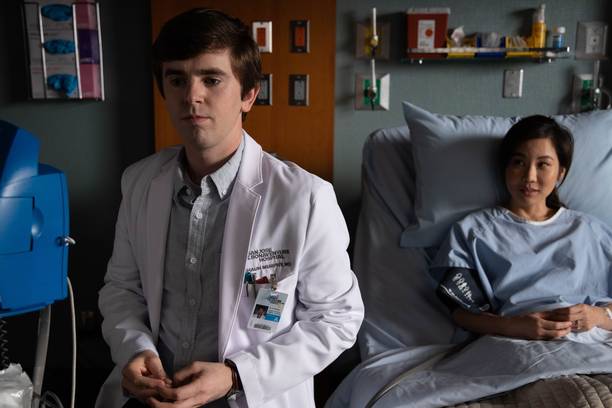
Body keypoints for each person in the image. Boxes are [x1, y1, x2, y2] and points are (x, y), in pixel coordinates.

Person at [96, 8, 363, 408]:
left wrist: (237, 375)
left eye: (212, 79)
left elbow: (338, 319)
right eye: (177, 79)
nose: (192, 96)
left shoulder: (305, 198)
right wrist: (134, 349)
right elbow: (122, 289)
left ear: (248, 95)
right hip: (152, 395)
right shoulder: (139, 183)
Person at [432, 115, 612, 342]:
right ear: (505, 168)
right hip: (517, 343)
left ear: (560, 173)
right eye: (518, 162)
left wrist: (600, 315)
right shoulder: (473, 231)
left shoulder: (591, 231)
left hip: (594, 343)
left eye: (543, 164)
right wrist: (512, 326)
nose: (529, 177)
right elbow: (460, 313)